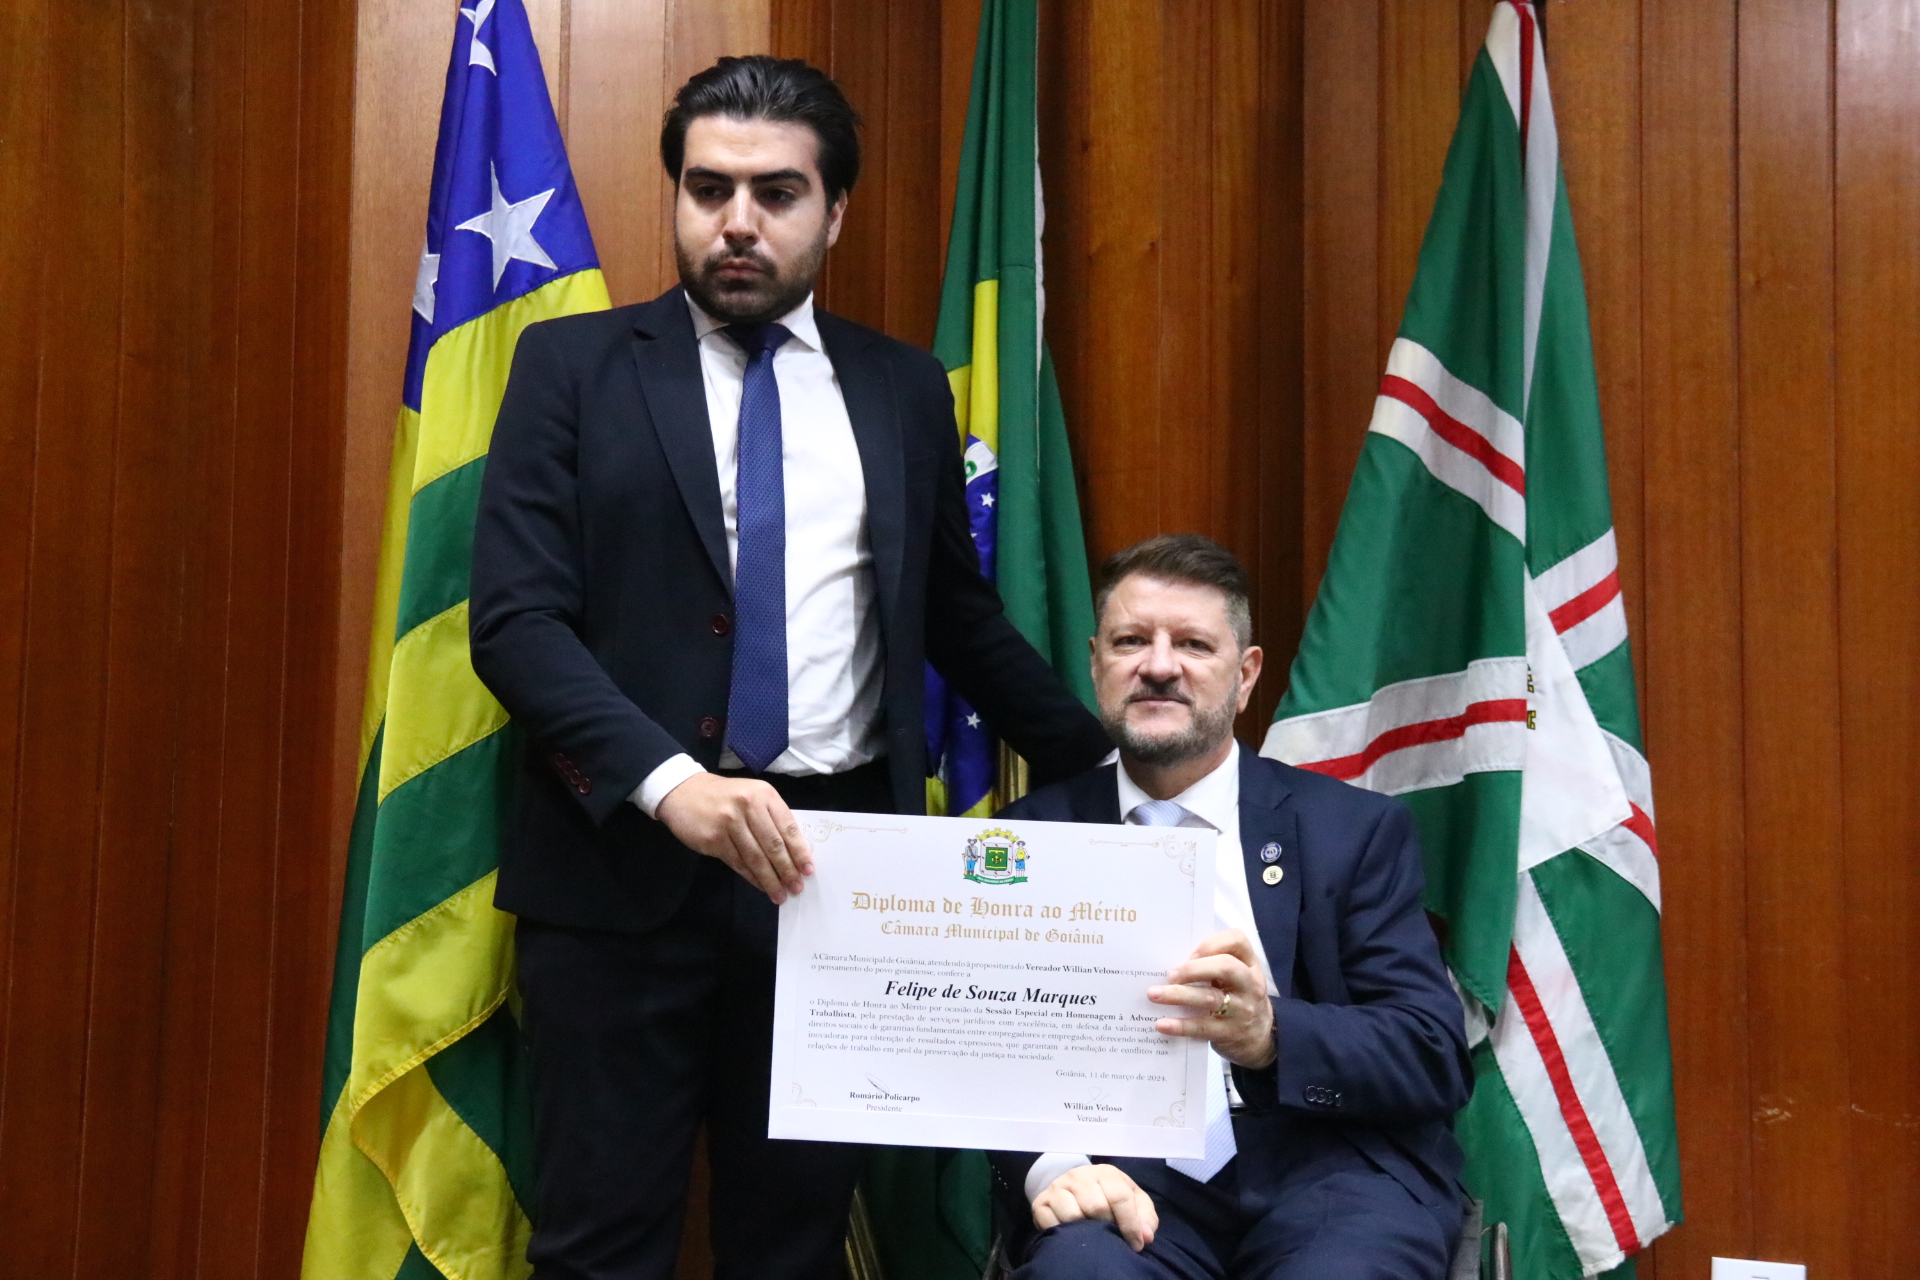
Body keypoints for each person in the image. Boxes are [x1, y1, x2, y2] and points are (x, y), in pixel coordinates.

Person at [468, 55, 1112, 1280]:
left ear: (835, 211)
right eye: (708, 188)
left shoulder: (902, 388)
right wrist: (673, 784)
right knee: (599, 1247)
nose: (737, 221)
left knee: (795, 1246)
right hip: (618, 873)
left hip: (836, 877)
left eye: (776, 193)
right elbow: (516, 622)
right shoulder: (573, 369)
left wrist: (1130, 778)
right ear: (676, 195)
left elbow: (957, 620)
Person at [993, 534, 1473, 1280]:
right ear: (1095, 663)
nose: (1159, 666)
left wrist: (1270, 1034)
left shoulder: (1351, 830)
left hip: (1331, 1165)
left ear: (1245, 675)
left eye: (1192, 644)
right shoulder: (1025, 840)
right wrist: (1054, 1167)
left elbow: (1431, 1052)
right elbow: (983, 1047)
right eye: (1131, 641)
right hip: (1121, 1171)